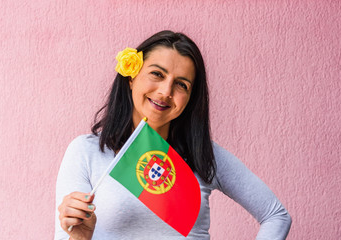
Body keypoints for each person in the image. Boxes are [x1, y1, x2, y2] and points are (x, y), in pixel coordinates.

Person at [55, 30, 292, 240]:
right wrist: (80, 237)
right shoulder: (85, 152)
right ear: (131, 77)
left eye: (182, 85)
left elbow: (276, 216)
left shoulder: (203, 154)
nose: (166, 91)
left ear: (190, 99)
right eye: (157, 74)